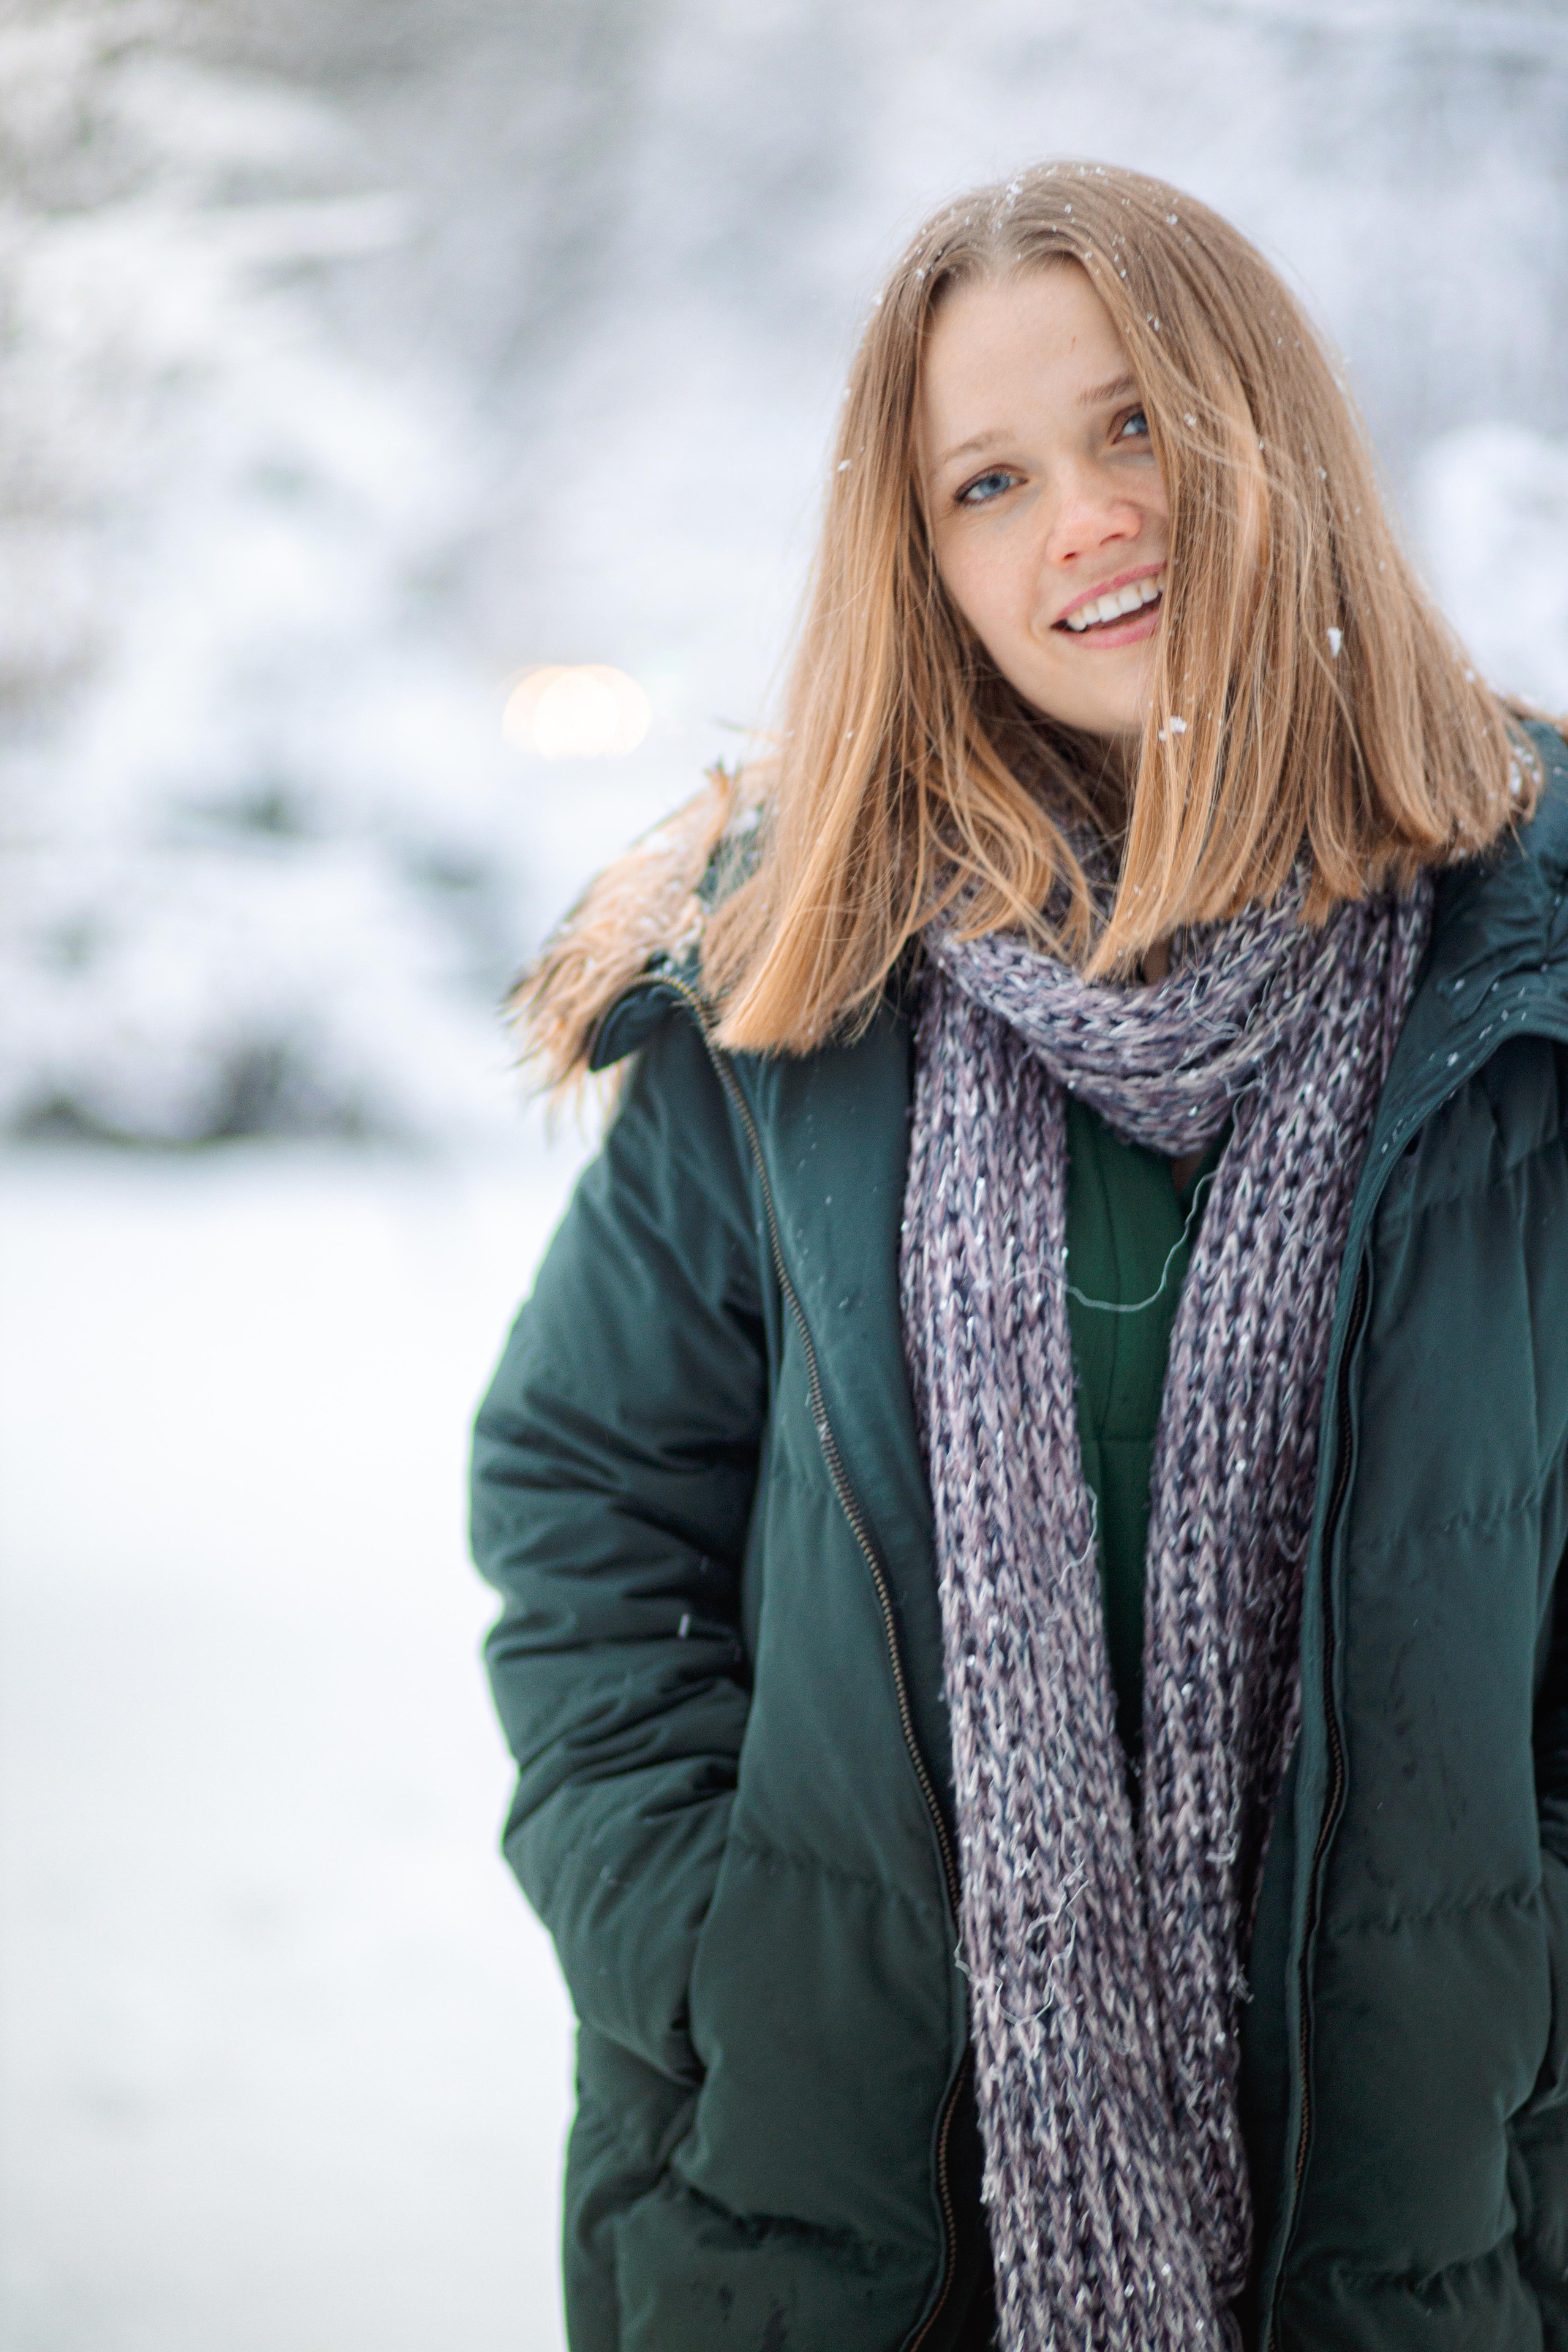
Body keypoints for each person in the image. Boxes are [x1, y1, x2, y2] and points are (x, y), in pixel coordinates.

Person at [470, 161, 1568, 2352]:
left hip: (1425, 2223)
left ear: (1274, 429)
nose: (1085, 518)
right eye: (990, 479)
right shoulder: (788, 992)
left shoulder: (1523, 987)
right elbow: (587, 1511)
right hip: (837, 2219)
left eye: (1137, 420)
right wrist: (710, 1961)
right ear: (930, 562)